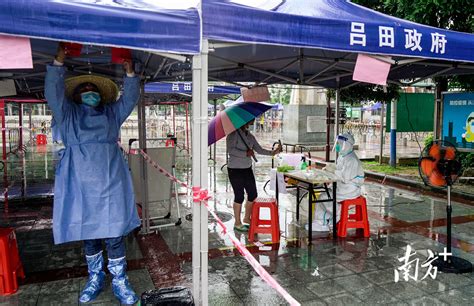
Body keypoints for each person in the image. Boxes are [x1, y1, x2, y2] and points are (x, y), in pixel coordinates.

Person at [45, 43, 141, 305]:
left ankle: (120, 281)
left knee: (114, 233)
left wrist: (130, 75)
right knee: (89, 234)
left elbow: (130, 99)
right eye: (84, 90)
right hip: (78, 183)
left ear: (102, 96)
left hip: (111, 180)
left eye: (93, 89)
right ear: (76, 97)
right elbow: (53, 94)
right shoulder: (67, 116)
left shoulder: (112, 114)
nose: (89, 91)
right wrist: (58, 63)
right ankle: (95, 277)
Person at [226, 119, 282, 231]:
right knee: (239, 196)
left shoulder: (249, 136)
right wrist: (245, 153)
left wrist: (274, 152)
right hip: (235, 169)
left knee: (252, 194)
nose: (253, 121)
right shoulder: (233, 134)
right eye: (250, 120)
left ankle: (247, 218)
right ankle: (237, 222)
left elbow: (259, 150)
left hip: (247, 168)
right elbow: (230, 150)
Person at [308, 133, 365, 231]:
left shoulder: (352, 160)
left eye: (340, 143)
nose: (338, 145)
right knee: (323, 196)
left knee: (324, 197)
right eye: (337, 143)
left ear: (346, 145)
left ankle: (337, 213)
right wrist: (330, 167)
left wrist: (332, 171)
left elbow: (345, 177)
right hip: (343, 187)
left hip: (350, 189)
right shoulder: (343, 156)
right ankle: (321, 222)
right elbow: (339, 169)